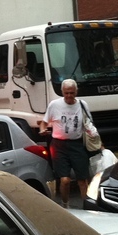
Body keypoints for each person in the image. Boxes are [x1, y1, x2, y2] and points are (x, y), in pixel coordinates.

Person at [39, 78, 92, 209]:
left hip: (77, 145)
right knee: (65, 180)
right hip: (59, 146)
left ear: (76, 92)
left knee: (82, 180)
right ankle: (65, 206)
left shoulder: (82, 105)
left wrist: (98, 142)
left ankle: (87, 208)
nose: (69, 96)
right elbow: (44, 122)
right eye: (66, 93)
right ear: (62, 92)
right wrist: (42, 130)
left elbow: (89, 125)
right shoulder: (54, 105)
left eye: (72, 93)